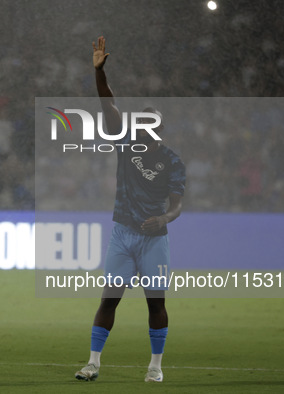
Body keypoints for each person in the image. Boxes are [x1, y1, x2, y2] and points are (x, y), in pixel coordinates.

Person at [75, 36, 186, 383]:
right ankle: (93, 362)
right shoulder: (126, 142)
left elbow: (177, 206)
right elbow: (109, 105)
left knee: (156, 304)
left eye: (150, 123)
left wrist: (164, 218)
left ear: (160, 129)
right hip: (123, 234)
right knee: (109, 300)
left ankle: (155, 367)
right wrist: (99, 73)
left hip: (154, 238)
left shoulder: (171, 161)